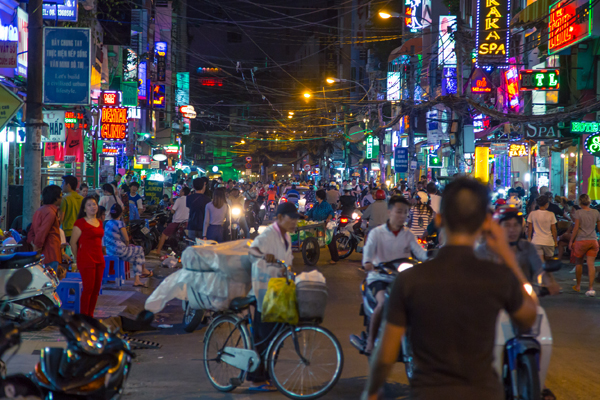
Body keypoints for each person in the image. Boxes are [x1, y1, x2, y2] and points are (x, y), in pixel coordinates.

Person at [362, 178, 538, 400]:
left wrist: (371, 392)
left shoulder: (409, 281)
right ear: (486, 223)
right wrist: (507, 255)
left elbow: (386, 355)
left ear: (439, 219)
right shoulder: (498, 277)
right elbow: (529, 316)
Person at [352, 195, 427, 356]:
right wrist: (368, 263)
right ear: (389, 212)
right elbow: (368, 254)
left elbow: (420, 253)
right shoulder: (376, 233)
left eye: (405, 213)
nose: (402, 216)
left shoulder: (408, 234)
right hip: (379, 278)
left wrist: (432, 259)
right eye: (399, 212)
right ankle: (371, 341)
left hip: (402, 279)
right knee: (383, 302)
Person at [247, 202, 297, 391]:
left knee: (277, 335)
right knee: (265, 337)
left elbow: (288, 261)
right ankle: (256, 379)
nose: (293, 222)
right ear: (279, 218)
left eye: (295, 218)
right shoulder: (268, 234)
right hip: (264, 291)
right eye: (290, 218)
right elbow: (252, 251)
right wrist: (264, 255)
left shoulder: (287, 237)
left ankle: (267, 375)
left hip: (278, 291)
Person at [476, 206, 560, 293]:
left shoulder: (527, 247)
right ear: (497, 228)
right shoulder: (483, 250)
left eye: (516, 225)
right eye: (507, 225)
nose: (512, 230)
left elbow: (539, 267)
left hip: (522, 297)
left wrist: (550, 282)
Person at [70, 197, 105, 317]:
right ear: (84, 209)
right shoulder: (80, 223)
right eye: (89, 205)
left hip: (99, 259)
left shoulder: (100, 222)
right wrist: (77, 258)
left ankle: (90, 315)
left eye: (94, 204)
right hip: (86, 259)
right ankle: (84, 316)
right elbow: (73, 243)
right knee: (88, 289)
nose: (93, 207)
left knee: (96, 290)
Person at [103, 204, 153, 287]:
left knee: (137, 256)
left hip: (109, 251)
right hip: (120, 251)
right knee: (139, 249)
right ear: (120, 214)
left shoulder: (107, 223)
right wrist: (127, 245)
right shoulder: (120, 223)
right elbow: (126, 239)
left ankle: (138, 278)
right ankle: (142, 272)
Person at [569, 193, 600, 297]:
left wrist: (571, 241)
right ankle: (590, 288)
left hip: (581, 241)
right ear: (589, 201)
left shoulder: (578, 212)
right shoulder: (596, 212)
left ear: (580, 201)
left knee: (579, 263)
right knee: (591, 264)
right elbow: (599, 228)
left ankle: (578, 286)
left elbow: (576, 228)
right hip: (592, 240)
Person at [28, 185, 63, 272]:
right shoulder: (51, 212)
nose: (62, 198)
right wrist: (37, 247)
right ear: (56, 197)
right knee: (49, 282)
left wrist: (33, 244)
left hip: (41, 253)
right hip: (50, 253)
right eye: (61, 195)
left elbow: (31, 231)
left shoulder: (39, 210)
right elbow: (42, 232)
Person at [305, 189, 338, 264]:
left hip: (324, 224)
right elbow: (311, 211)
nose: (315, 197)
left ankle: (335, 258)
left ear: (318, 197)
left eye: (316, 196)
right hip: (316, 224)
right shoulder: (316, 204)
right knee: (313, 241)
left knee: (330, 240)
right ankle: (311, 258)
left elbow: (331, 212)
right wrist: (306, 216)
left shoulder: (326, 205)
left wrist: (328, 219)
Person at [154, 187, 190, 255]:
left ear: (183, 192)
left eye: (180, 191)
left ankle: (158, 250)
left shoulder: (179, 200)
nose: (179, 192)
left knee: (164, 234)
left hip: (177, 221)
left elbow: (173, 211)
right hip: (186, 222)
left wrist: (171, 208)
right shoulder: (189, 200)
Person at [527, 195, 557, 261]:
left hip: (536, 241)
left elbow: (529, 228)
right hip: (548, 241)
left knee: (540, 263)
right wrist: (555, 241)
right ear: (546, 204)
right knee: (548, 263)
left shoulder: (532, 214)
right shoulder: (551, 214)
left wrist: (529, 238)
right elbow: (553, 229)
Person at [60, 175, 83, 242]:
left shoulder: (65, 199)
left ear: (68, 185)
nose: (61, 185)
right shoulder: (82, 199)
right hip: (80, 230)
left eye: (63, 183)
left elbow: (61, 218)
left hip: (67, 232)